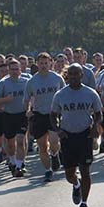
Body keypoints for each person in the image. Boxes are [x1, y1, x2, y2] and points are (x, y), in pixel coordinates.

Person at [51, 64, 102, 207]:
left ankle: (84, 204)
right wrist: (58, 130)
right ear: (67, 75)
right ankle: (76, 184)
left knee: (85, 170)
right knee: (69, 174)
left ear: (82, 75)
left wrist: (95, 126)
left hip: (85, 135)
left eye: (76, 74)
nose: (73, 77)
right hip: (68, 136)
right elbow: (53, 115)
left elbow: (98, 113)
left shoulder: (90, 93)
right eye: (71, 74)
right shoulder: (60, 95)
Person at [24, 52, 66, 182]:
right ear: (37, 64)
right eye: (41, 63)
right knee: (42, 145)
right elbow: (27, 99)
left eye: (46, 63)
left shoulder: (57, 78)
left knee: (54, 141)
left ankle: (54, 154)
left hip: (54, 114)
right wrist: (28, 110)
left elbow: (65, 94)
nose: (43, 65)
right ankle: (48, 170)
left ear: (51, 63)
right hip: (39, 115)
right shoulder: (32, 81)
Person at [0, 59, 31, 177]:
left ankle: (19, 165)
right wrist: (6, 100)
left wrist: (30, 109)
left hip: (22, 114)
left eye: (17, 69)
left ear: (20, 70)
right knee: (10, 144)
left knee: (21, 141)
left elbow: (33, 96)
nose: (15, 71)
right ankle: (12, 161)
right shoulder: (3, 83)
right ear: (9, 71)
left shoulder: (26, 82)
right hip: (8, 115)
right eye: (12, 69)